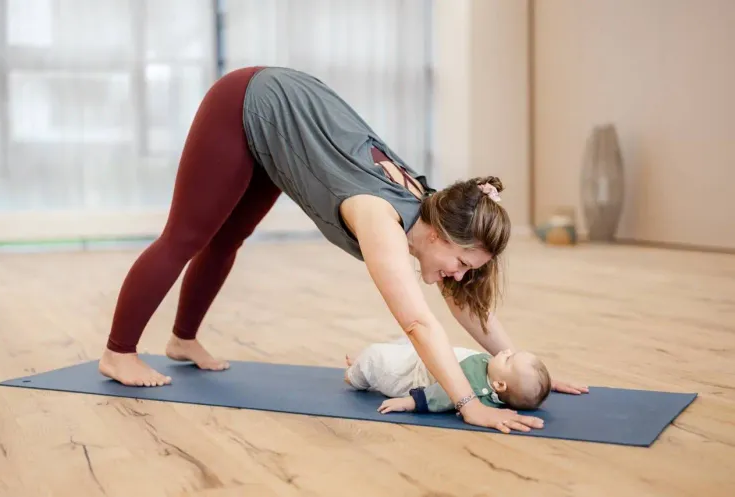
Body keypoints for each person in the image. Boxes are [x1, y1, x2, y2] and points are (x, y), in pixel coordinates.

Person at [98, 65, 587, 434]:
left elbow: (464, 302)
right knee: (186, 235)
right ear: (439, 236)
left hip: (286, 127)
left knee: (228, 237)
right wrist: (469, 405)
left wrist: (526, 365)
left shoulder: (436, 213)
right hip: (247, 103)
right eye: (461, 263)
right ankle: (118, 353)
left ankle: (182, 340)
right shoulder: (382, 221)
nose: (459, 276)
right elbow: (418, 323)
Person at [343, 339, 551, 415]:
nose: (506, 352)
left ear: (499, 384)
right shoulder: (491, 375)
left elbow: (441, 395)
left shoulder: (474, 385)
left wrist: (409, 403)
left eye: (509, 359)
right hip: (422, 358)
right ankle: (366, 366)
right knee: (403, 341)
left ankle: (356, 376)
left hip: (408, 375)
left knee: (375, 355)